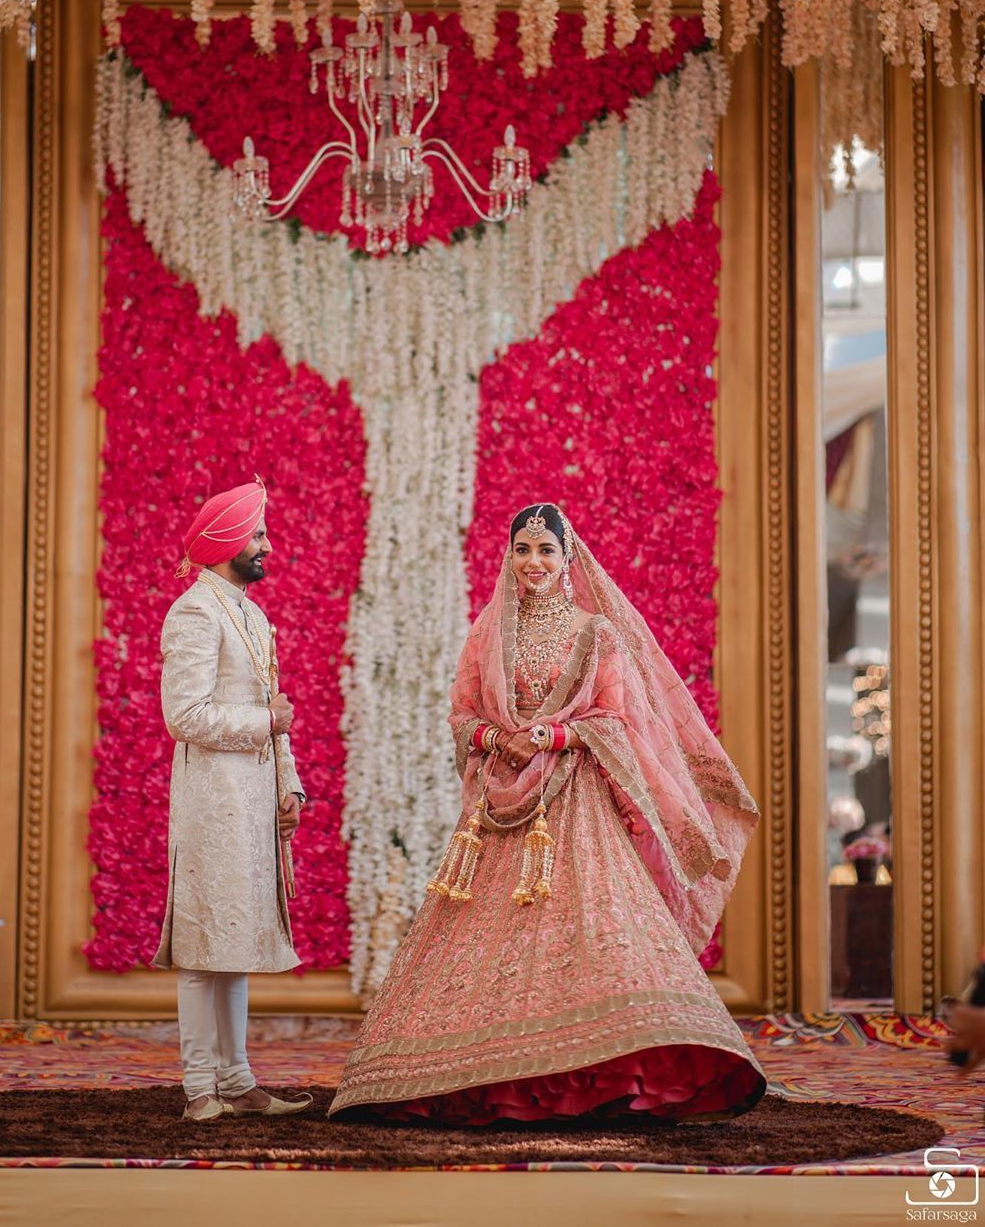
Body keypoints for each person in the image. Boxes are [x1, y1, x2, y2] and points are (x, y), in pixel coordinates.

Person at [330, 503, 766, 1123]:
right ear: (509, 557)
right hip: (498, 808)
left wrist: (549, 739)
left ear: (568, 560)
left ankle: (603, 1073)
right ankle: (481, 1073)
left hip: (575, 804)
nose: (533, 563)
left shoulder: (596, 632)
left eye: (546, 551)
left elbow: (615, 722)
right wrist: (492, 739)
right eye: (523, 550)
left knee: (594, 930)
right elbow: (462, 716)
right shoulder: (487, 634)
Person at [152, 476, 313, 1122]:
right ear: (226, 541)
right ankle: (199, 1090)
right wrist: (265, 725)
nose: (267, 545)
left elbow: (273, 713)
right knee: (201, 948)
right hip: (211, 806)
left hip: (250, 805)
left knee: (234, 942)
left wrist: (290, 786)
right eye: (258, 533)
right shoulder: (194, 611)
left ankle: (238, 1079)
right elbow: (183, 714)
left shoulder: (250, 614)